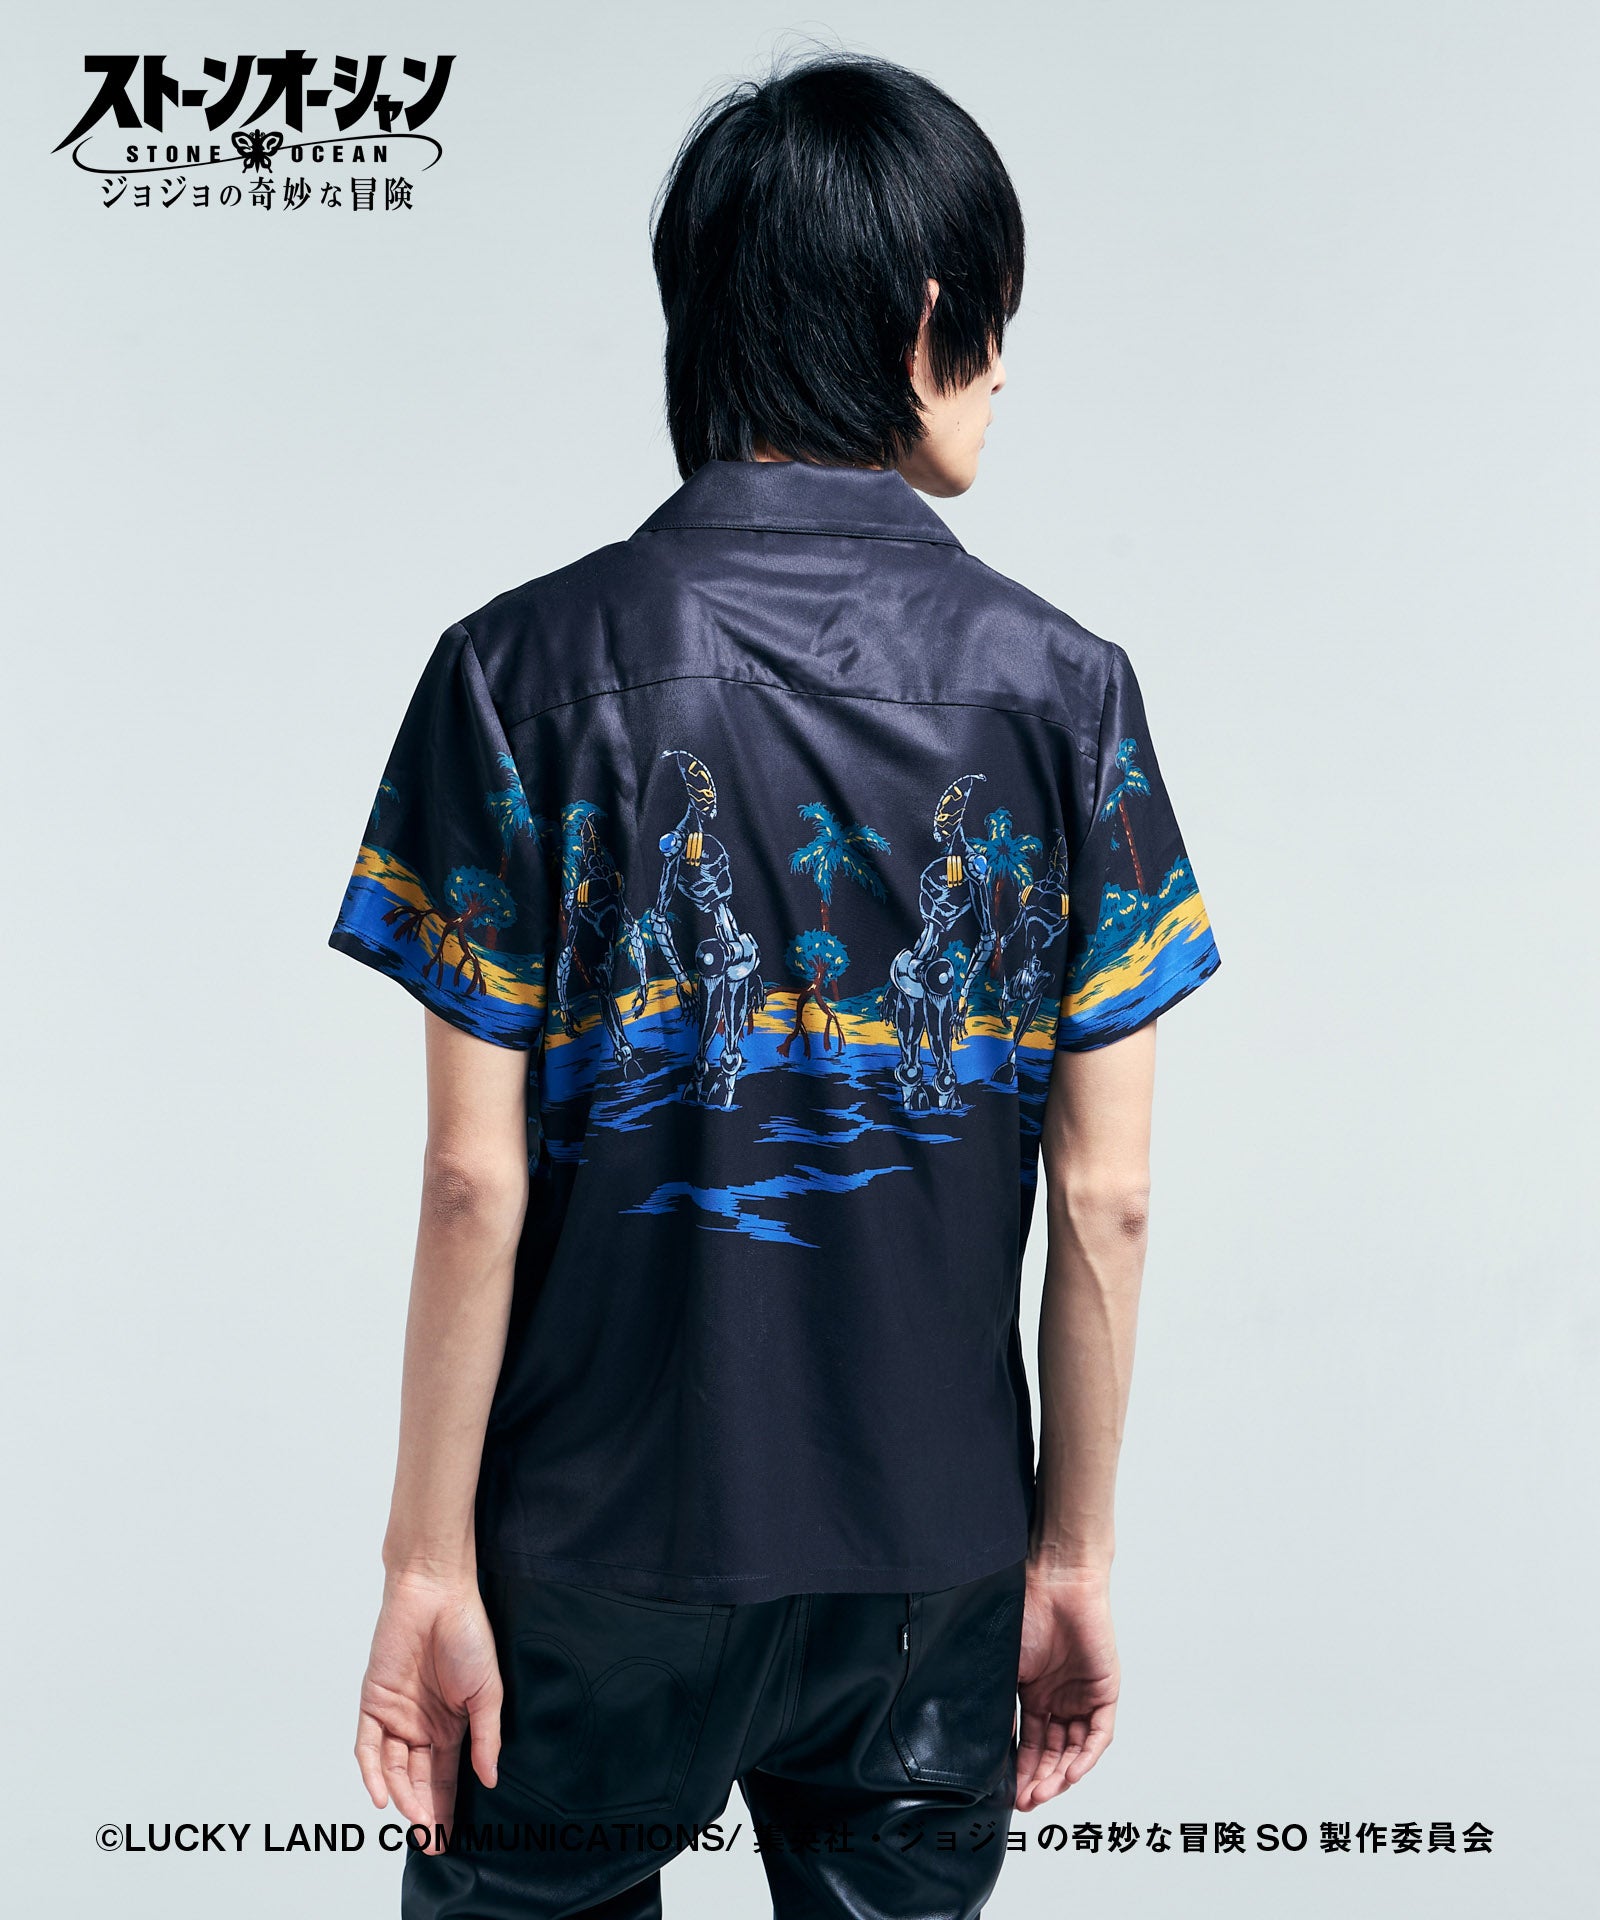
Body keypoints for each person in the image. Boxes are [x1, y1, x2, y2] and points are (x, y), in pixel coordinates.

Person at [329, 50, 1220, 1920]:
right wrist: (1071, 1556)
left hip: (594, 1550)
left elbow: (474, 1182)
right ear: (924, 317)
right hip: (929, 1558)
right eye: (996, 322)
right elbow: (1108, 1197)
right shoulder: (1069, 695)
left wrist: (424, 1569)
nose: (1003, 372)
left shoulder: (516, 672)